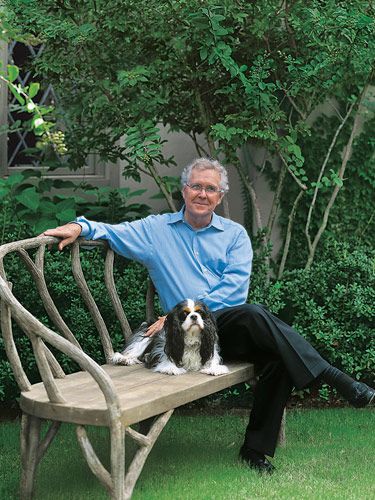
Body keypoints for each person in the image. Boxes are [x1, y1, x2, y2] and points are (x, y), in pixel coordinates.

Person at [43, 157, 374, 474]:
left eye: (211, 188)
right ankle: (334, 380)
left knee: (259, 328)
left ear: (220, 196)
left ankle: (255, 450)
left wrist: (183, 311)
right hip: (183, 341)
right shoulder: (156, 231)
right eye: (196, 186)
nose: (202, 194)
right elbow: (111, 231)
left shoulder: (234, 236)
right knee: (271, 343)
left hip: (223, 329)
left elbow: (233, 293)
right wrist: (78, 226)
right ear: (184, 190)